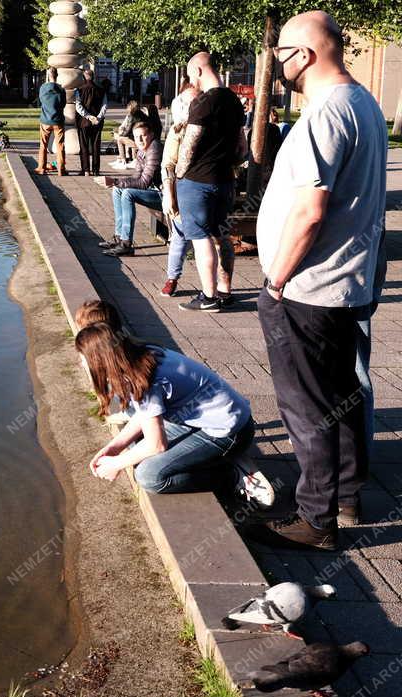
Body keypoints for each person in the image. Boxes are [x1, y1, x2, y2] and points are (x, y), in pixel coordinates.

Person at [251, 10, 387, 551]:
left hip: (308, 286)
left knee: (307, 406)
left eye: (280, 54)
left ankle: (315, 520)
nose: (277, 64)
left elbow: (310, 211)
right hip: (348, 281)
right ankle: (348, 495)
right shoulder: (365, 104)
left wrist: (275, 280)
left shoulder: (325, 115)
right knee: (344, 394)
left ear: (304, 55)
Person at [77, 323, 255, 494]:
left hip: (230, 432)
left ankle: (231, 476)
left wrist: (116, 464)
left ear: (100, 361)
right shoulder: (142, 357)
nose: (81, 363)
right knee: (138, 448)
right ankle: (215, 460)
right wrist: (114, 447)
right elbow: (145, 414)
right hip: (204, 420)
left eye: (83, 358)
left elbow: (157, 445)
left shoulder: (142, 381)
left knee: (149, 476)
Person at [175, 51, 247, 312]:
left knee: (201, 238)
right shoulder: (234, 102)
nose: (190, 79)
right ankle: (226, 292)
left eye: (189, 74)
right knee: (223, 236)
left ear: (198, 71)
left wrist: (179, 175)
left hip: (197, 181)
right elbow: (242, 147)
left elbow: (189, 145)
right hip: (225, 180)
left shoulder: (203, 103)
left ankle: (208, 297)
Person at [93, 121, 162, 257]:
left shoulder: (154, 149)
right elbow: (136, 177)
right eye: (137, 137)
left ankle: (126, 244)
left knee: (128, 193)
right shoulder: (142, 151)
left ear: (151, 135)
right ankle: (119, 236)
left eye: (143, 135)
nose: (140, 140)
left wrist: (115, 180)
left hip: (164, 195)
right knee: (118, 189)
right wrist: (116, 183)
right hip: (153, 191)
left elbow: (143, 183)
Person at [159, 79, 201, 297]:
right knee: (179, 235)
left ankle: (218, 289)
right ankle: (172, 277)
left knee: (215, 240)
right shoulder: (178, 131)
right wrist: (168, 192)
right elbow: (168, 163)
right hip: (184, 188)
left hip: (210, 187)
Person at [75, 68, 107, 176]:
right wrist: (98, 117)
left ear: (84, 76)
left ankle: (86, 170)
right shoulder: (101, 89)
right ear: (93, 76)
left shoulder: (79, 90)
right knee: (96, 146)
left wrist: (88, 116)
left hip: (84, 122)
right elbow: (104, 105)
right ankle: (96, 170)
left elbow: (78, 106)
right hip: (97, 122)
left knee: (84, 145)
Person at [36, 67, 67, 176]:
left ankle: (42, 168)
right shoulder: (61, 89)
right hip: (58, 120)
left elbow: (41, 101)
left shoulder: (43, 88)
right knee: (60, 145)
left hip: (45, 119)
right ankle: (61, 169)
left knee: (43, 145)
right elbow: (63, 104)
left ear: (48, 75)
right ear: (57, 75)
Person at [110, 100, 146, 169]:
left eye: (128, 107)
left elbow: (127, 131)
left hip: (137, 142)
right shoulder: (142, 114)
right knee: (123, 137)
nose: (127, 108)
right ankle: (124, 159)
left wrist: (118, 135)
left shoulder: (131, 116)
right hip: (143, 140)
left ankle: (123, 161)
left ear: (130, 107)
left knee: (120, 140)